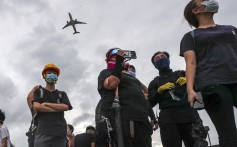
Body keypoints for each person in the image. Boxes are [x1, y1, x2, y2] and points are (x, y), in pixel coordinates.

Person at [180, 0, 237, 146]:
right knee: (228, 134)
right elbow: (190, 62)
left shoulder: (231, 29)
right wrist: (190, 89)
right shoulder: (191, 36)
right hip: (212, 83)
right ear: (196, 10)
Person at [97, 48, 153, 147]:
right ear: (109, 58)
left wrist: (152, 117)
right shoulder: (106, 72)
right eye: (116, 53)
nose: (120, 54)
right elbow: (112, 84)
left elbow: (144, 95)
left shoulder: (131, 77)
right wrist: (118, 63)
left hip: (142, 120)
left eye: (121, 53)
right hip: (123, 119)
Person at [148, 51, 200, 147]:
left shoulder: (183, 74)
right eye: (157, 58)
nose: (160, 58)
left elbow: (200, 86)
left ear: (168, 60)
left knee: (197, 144)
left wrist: (189, 81)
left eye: (162, 56)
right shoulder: (154, 82)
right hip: (167, 118)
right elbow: (150, 103)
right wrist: (159, 91)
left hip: (188, 113)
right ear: (155, 65)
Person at [33, 63, 73, 147]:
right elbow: (36, 107)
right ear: (44, 76)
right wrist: (58, 108)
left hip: (60, 134)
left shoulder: (62, 94)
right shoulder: (39, 92)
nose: (52, 75)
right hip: (43, 133)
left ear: (57, 77)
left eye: (54, 73)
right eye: (49, 73)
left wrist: (46, 104)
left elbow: (66, 107)